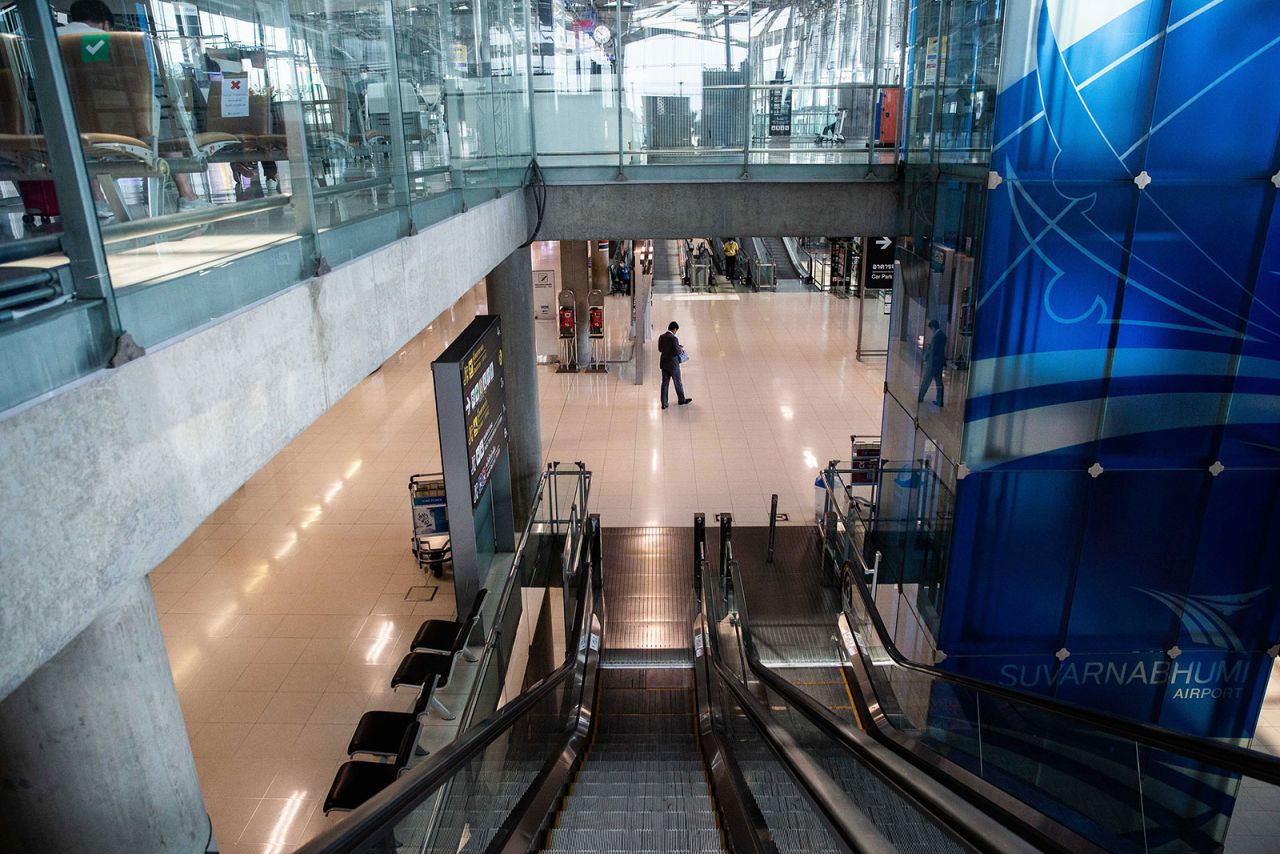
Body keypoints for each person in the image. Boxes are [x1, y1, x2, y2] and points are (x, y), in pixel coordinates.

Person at [658, 321, 692, 410]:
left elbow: (660, 349)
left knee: (665, 383)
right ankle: (681, 400)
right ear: (675, 329)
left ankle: (664, 403)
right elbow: (677, 352)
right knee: (677, 382)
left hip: (664, 364)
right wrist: (680, 348)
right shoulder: (674, 338)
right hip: (673, 365)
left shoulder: (661, 337)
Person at [918, 319, 947, 406]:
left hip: (932, 364)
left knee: (926, 381)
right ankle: (939, 401)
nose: (931, 331)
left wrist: (926, 357)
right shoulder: (943, 335)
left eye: (931, 329)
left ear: (933, 327)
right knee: (939, 382)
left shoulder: (936, 337)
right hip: (939, 363)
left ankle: (920, 398)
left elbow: (933, 350)